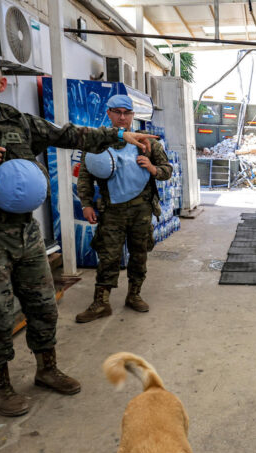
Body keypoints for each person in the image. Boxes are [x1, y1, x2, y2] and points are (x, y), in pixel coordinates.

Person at [0, 46, 158, 417]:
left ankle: (47, 369)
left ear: (2, 82)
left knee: (44, 306)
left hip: (25, 233)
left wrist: (121, 137)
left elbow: (70, 135)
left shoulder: (20, 122)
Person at [75, 95, 173, 322]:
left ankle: (134, 295)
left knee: (139, 254)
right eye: (117, 112)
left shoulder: (148, 143)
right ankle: (101, 302)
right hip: (112, 212)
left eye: (126, 113)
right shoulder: (97, 143)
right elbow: (85, 175)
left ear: (132, 115)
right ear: (108, 113)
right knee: (108, 256)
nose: (122, 117)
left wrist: (151, 168)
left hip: (141, 211)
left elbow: (167, 170)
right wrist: (87, 203)